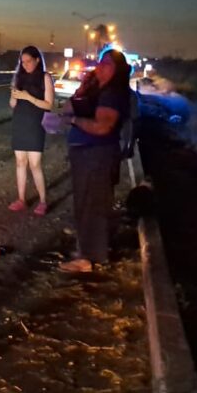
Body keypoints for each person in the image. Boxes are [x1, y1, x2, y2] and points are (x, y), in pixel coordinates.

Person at [58, 47, 131, 273]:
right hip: (86, 154)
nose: (101, 66)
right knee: (85, 204)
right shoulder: (97, 90)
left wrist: (74, 121)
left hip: (97, 155)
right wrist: (84, 87)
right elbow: (67, 107)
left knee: (93, 206)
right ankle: (86, 251)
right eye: (100, 62)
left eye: (107, 63)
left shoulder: (113, 94)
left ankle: (89, 258)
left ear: (118, 70)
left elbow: (102, 126)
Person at [7, 45, 54, 216]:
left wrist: (29, 97)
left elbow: (49, 104)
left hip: (35, 123)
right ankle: (21, 199)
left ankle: (42, 201)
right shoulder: (19, 77)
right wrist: (14, 96)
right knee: (20, 162)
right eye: (22, 62)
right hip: (20, 121)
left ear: (37, 60)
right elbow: (12, 105)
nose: (25, 65)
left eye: (28, 61)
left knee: (35, 163)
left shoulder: (45, 77)